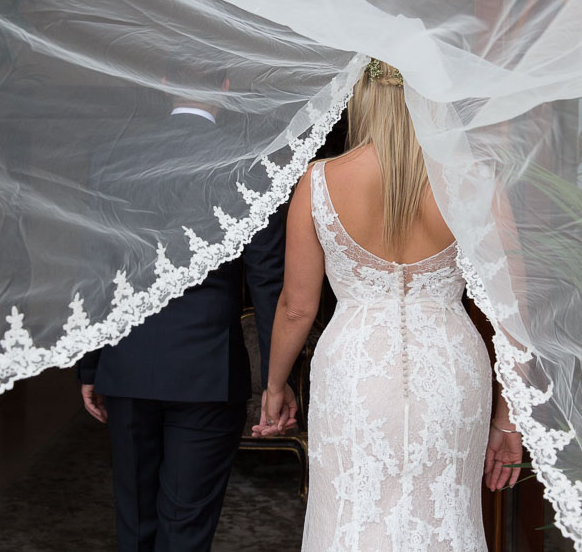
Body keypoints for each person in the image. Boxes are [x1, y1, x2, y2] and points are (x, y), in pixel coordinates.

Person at [253, 59, 523, 550]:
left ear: (362, 97)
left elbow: (296, 307)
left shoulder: (319, 181)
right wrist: (508, 418)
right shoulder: (478, 183)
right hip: (452, 369)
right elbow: (513, 318)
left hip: (355, 368)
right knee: (445, 517)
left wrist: (274, 385)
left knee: (351, 516)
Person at [78, 63, 285, 552]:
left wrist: (91, 364)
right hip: (207, 371)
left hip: (127, 365)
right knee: (186, 528)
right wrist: (280, 379)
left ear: (165, 83)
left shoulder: (113, 159)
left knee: (135, 525)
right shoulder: (251, 163)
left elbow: (95, 269)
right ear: (227, 88)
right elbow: (268, 279)